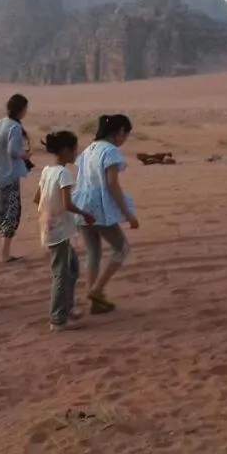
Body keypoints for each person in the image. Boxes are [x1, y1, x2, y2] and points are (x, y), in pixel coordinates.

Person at [71, 114, 139, 314]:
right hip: (98, 207)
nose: (124, 139)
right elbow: (112, 184)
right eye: (125, 135)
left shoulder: (89, 149)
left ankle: (96, 303)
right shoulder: (110, 151)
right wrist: (128, 214)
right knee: (122, 249)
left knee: (94, 252)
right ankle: (97, 290)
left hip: (82, 204)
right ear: (119, 132)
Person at [33, 131, 95, 332]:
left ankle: (67, 309)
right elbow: (68, 204)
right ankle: (58, 318)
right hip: (59, 230)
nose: (76, 153)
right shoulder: (63, 174)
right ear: (67, 151)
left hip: (51, 227)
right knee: (62, 273)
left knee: (72, 268)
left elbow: (37, 198)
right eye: (74, 149)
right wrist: (85, 213)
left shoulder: (46, 171)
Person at [0, 93, 31, 263]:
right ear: (22, 109)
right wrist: (24, 155)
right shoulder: (14, 127)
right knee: (12, 213)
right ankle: (5, 254)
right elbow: (12, 151)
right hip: (7, 177)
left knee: (1, 212)